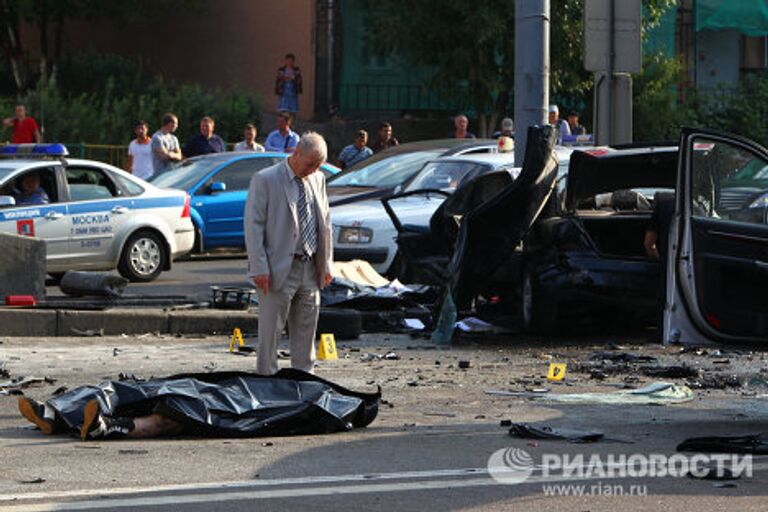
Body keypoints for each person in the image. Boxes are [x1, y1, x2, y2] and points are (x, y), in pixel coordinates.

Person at [244, 132, 333, 376]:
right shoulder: (266, 179)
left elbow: (325, 223)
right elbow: (254, 226)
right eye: (309, 164)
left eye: (317, 166)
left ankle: (304, 382)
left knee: (306, 331)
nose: (313, 170)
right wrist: (259, 267)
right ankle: (267, 383)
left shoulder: (318, 179)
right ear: (296, 154)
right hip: (276, 268)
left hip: (309, 267)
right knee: (271, 333)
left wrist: (326, 264)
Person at [643, 192, 675, 339]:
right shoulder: (697, 208)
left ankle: (664, 333)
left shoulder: (662, 207)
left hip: (667, 266)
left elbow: (649, 244)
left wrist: (659, 260)